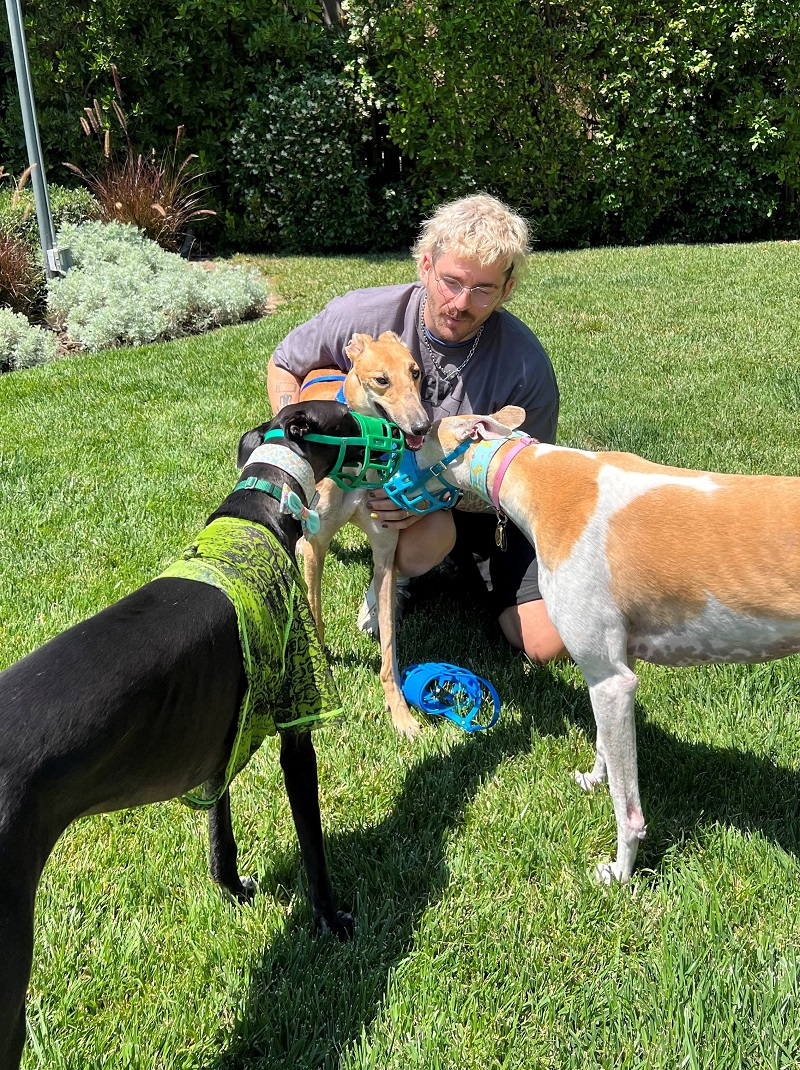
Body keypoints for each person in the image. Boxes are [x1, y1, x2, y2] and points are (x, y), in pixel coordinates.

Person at [267, 193, 566, 663]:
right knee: (431, 535)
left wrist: (427, 496)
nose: (462, 303)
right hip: (390, 492)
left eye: (484, 289)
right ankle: (401, 575)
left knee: (546, 645)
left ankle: (449, 562)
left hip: (480, 505)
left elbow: (526, 478)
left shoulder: (526, 365)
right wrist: (299, 452)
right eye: (451, 281)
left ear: (507, 290)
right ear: (425, 264)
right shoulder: (362, 315)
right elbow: (285, 363)